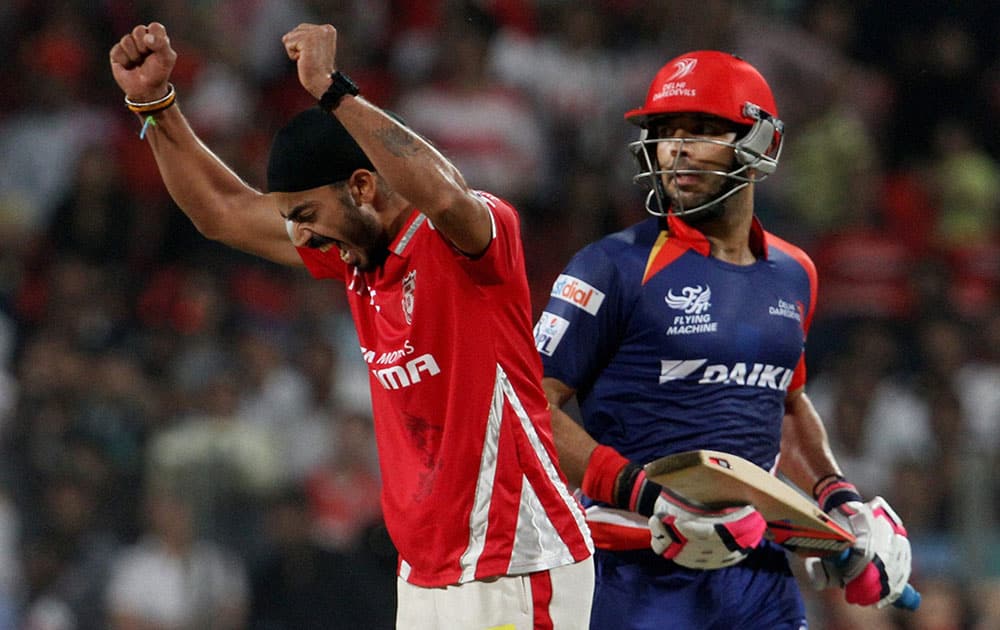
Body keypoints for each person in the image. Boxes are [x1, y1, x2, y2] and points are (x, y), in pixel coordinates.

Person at [108, 20, 594, 630]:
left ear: (363, 186)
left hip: (517, 562)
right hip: (424, 572)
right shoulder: (352, 258)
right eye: (292, 220)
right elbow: (223, 212)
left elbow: (445, 196)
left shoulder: (469, 243)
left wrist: (334, 91)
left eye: (308, 213)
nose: (303, 235)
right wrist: (154, 105)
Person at [534, 50, 913, 629]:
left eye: (703, 130)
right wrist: (650, 498)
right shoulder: (611, 265)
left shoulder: (795, 273)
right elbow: (531, 405)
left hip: (757, 578)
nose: (677, 148)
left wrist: (843, 506)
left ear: (763, 143)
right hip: (634, 569)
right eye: (664, 133)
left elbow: (781, 401)